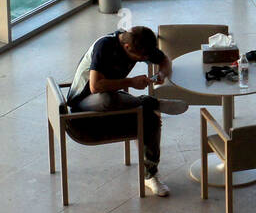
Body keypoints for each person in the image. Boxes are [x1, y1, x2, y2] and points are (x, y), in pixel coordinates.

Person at [66, 25, 186, 197]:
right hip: (83, 102)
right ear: (127, 47)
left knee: (149, 119)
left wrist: (162, 74)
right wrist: (130, 82)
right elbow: (95, 86)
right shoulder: (104, 46)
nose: (144, 59)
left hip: (115, 97)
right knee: (107, 98)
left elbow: (165, 60)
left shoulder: (140, 44)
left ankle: (150, 175)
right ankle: (146, 102)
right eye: (140, 58)